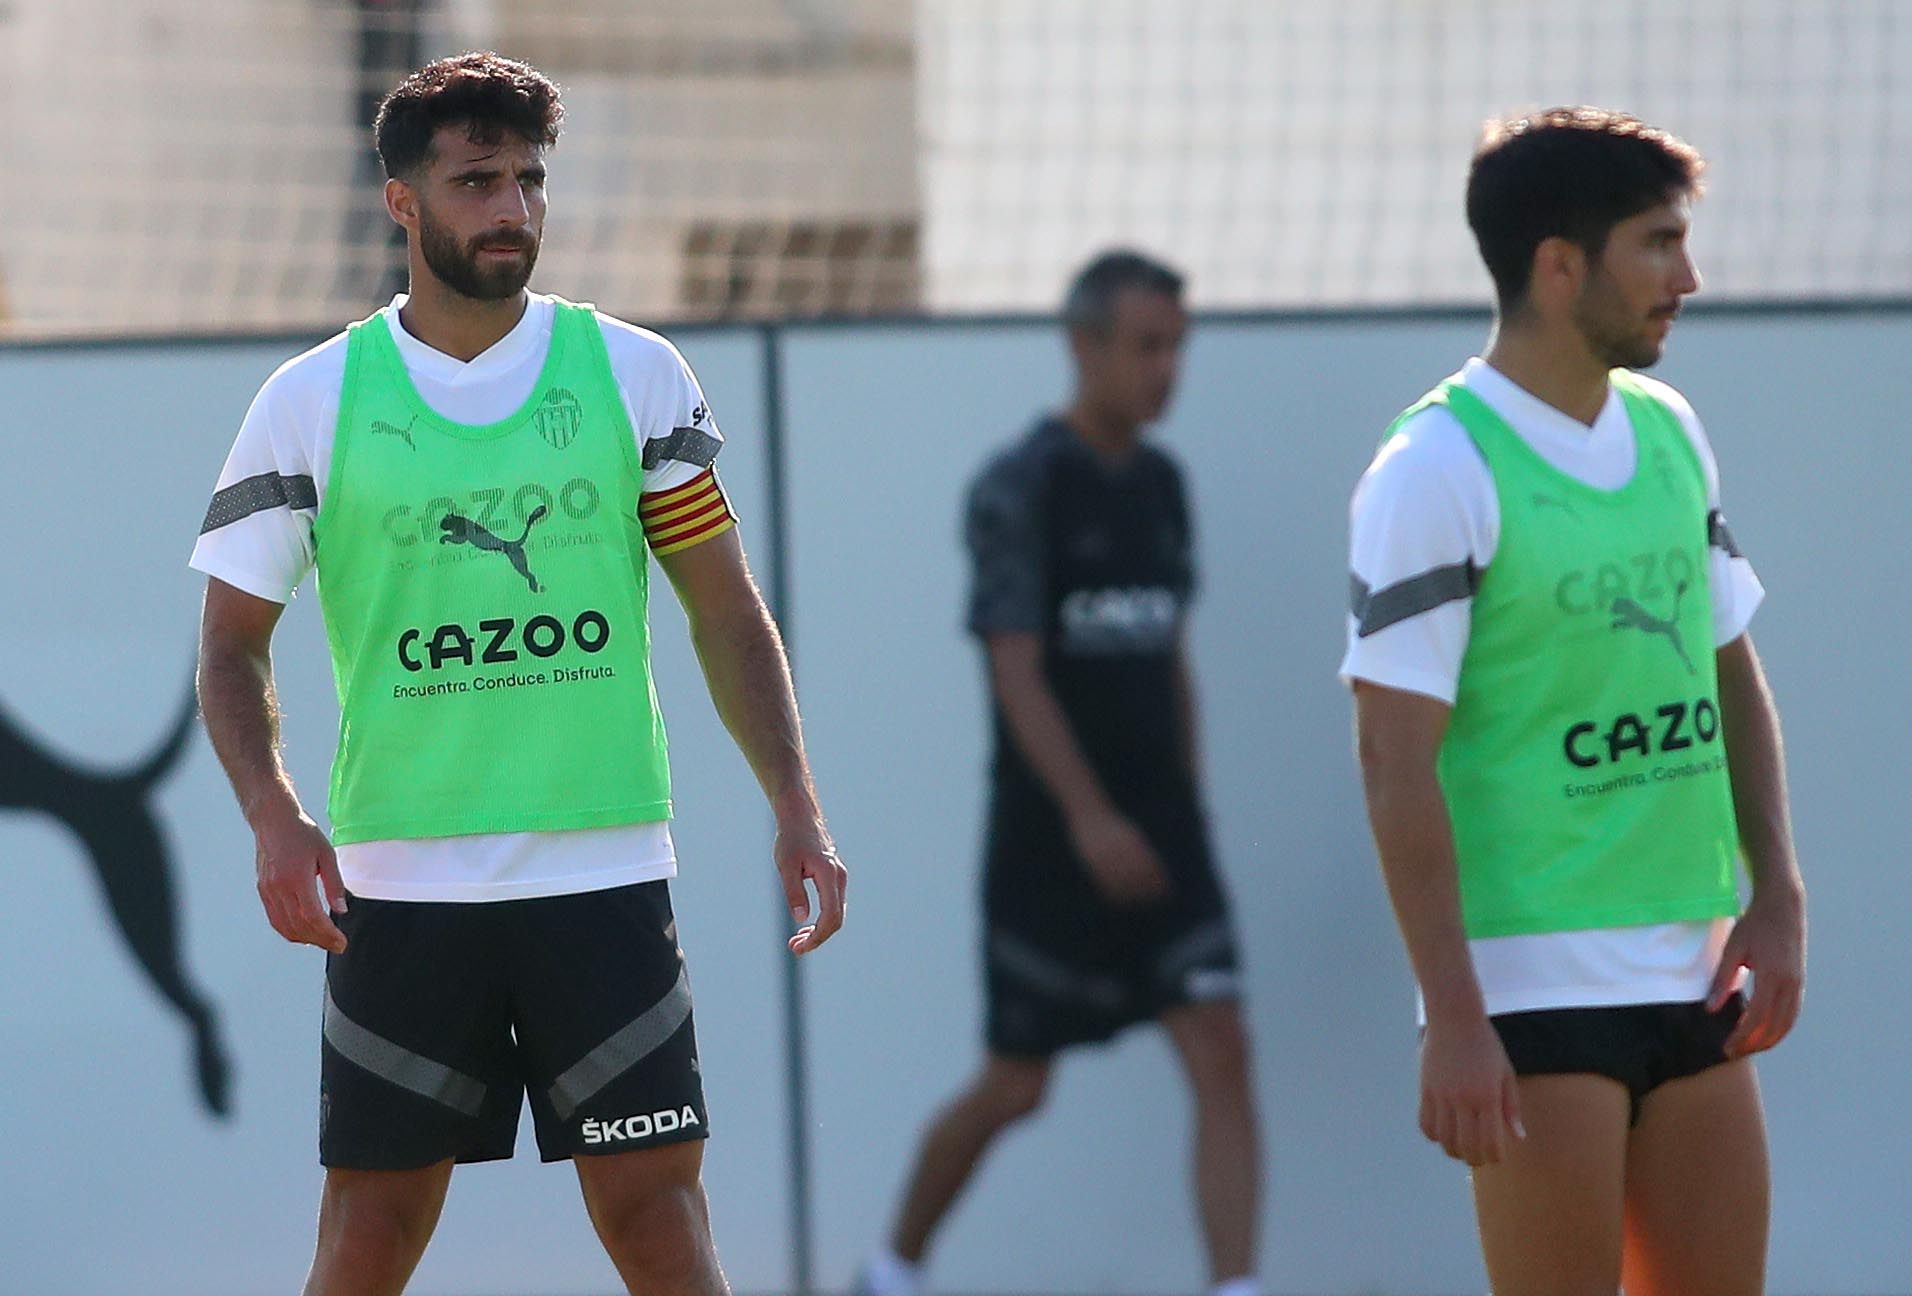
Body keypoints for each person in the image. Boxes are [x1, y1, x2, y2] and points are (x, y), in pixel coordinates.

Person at [191, 52, 847, 1296]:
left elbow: (724, 607)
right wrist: (276, 823)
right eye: (478, 181)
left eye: (531, 182)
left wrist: (797, 806)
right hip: (398, 883)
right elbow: (230, 645)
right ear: (402, 202)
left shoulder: (636, 373)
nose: (514, 210)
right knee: (369, 1235)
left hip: (601, 869)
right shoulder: (309, 400)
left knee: (660, 1219)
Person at [1343, 107, 1806, 1294]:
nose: (1686, 278)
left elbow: (1726, 664)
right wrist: (1453, 1015)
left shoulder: (1667, 433)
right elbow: (1394, 762)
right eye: (1657, 245)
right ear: (1558, 265)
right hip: (1530, 993)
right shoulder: (1434, 469)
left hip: (1690, 969)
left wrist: (1778, 896)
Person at [857, 251, 1263, 1296]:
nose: (1166, 369)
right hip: (1050, 840)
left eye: (1178, 347)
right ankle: (890, 1269)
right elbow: (1013, 666)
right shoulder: (1021, 484)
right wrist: (1088, 818)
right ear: (1081, 346)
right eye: (1146, 347)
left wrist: (1185, 808)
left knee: (1219, 1044)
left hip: (1163, 828)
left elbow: (1170, 655)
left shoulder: (1164, 486)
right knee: (1016, 1085)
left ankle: (1236, 1285)